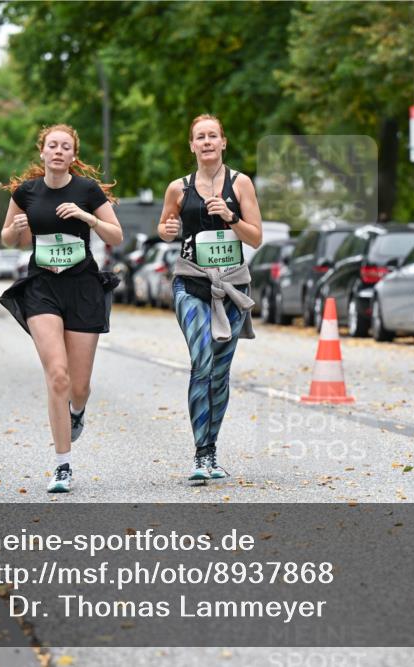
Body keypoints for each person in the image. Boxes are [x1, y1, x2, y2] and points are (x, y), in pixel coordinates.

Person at [0, 124, 123, 493]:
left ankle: (77, 412)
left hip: (82, 287)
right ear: (42, 153)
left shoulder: (86, 190)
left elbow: (116, 235)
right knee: (58, 375)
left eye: (65, 146)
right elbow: (7, 236)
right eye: (51, 145)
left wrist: (89, 218)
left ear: (73, 155)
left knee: (79, 386)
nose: (57, 151)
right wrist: (16, 228)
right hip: (42, 288)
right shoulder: (27, 192)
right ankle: (62, 465)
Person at [157, 114, 263, 481]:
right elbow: (166, 226)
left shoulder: (241, 183)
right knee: (201, 360)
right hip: (191, 283)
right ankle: (201, 455)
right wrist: (168, 229)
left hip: (233, 287)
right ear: (191, 145)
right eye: (199, 137)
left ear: (223, 142)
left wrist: (230, 216)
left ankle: (211, 448)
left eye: (212, 136)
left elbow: (255, 237)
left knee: (220, 372)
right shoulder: (178, 188)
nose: (206, 142)